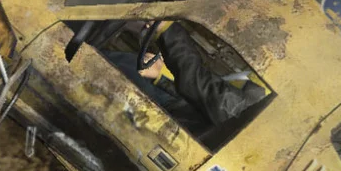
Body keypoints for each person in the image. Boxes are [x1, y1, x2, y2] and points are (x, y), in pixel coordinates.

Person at [106, 22, 266, 139]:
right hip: (169, 118)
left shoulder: (258, 121)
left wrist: (167, 30)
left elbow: (197, 84)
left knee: (112, 66)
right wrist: (163, 78)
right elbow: (205, 100)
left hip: (166, 112)